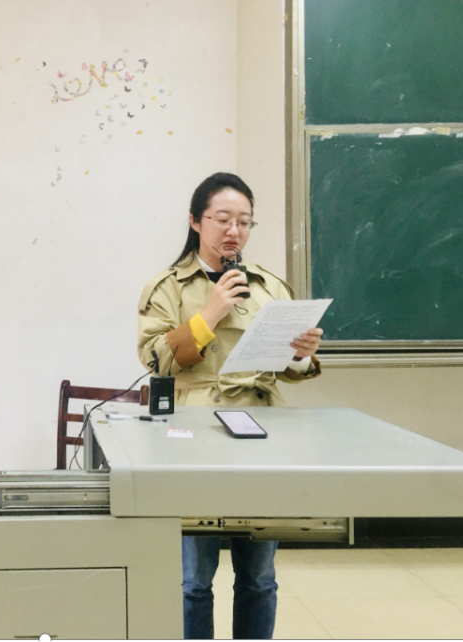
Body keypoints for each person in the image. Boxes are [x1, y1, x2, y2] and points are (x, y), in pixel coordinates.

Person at [137, 172, 323, 640]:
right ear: (196, 222)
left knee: (259, 576)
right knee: (194, 579)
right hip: (192, 438)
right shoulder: (168, 286)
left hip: (262, 435)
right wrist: (211, 312)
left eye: (244, 221)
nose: (233, 231)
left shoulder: (269, 286)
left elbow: (288, 369)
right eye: (222, 219)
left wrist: (301, 354)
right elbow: (155, 359)